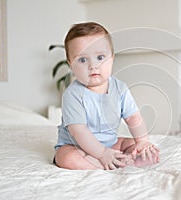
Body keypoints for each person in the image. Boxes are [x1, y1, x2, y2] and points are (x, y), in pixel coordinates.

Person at [54, 22, 160, 170]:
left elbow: (133, 118)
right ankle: (102, 164)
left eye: (100, 57)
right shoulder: (72, 95)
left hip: (111, 143)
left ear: (112, 58)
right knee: (66, 158)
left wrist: (142, 141)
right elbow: (79, 132)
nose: (93, 66)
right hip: (77, 146)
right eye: (83, 60)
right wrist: (102, 154)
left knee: (137, 147)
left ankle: (125, 159)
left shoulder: (120, 88)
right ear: (71, 64)